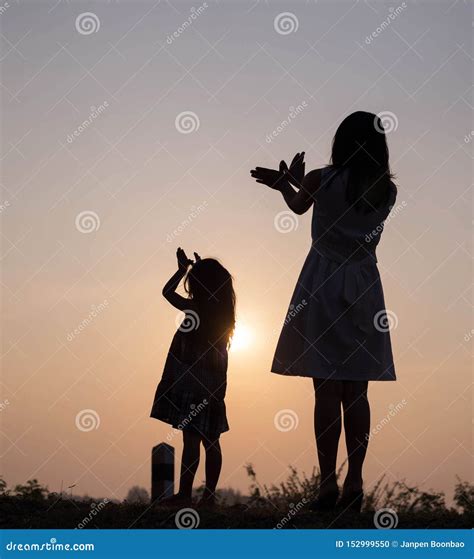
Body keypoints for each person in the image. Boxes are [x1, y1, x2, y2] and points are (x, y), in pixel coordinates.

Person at [250, 111, 398, 513]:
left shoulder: (320, 178)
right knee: (358, 391)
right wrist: (297, 183)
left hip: (322, 284)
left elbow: (302, 206)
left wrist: (286, 185)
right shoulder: (385, 190)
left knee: (326, 389)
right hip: (364, 287)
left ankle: (326, 482)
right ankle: (356, 481)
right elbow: (347, 204)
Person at [150, 248, 235, 508]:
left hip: (191, 384)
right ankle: (208, 496)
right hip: (213, 387)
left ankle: (185, 494)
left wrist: (182, 270)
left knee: (190, 439)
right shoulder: (225, 317)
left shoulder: (194, 308)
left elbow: (166, 293)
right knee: (212, 440)